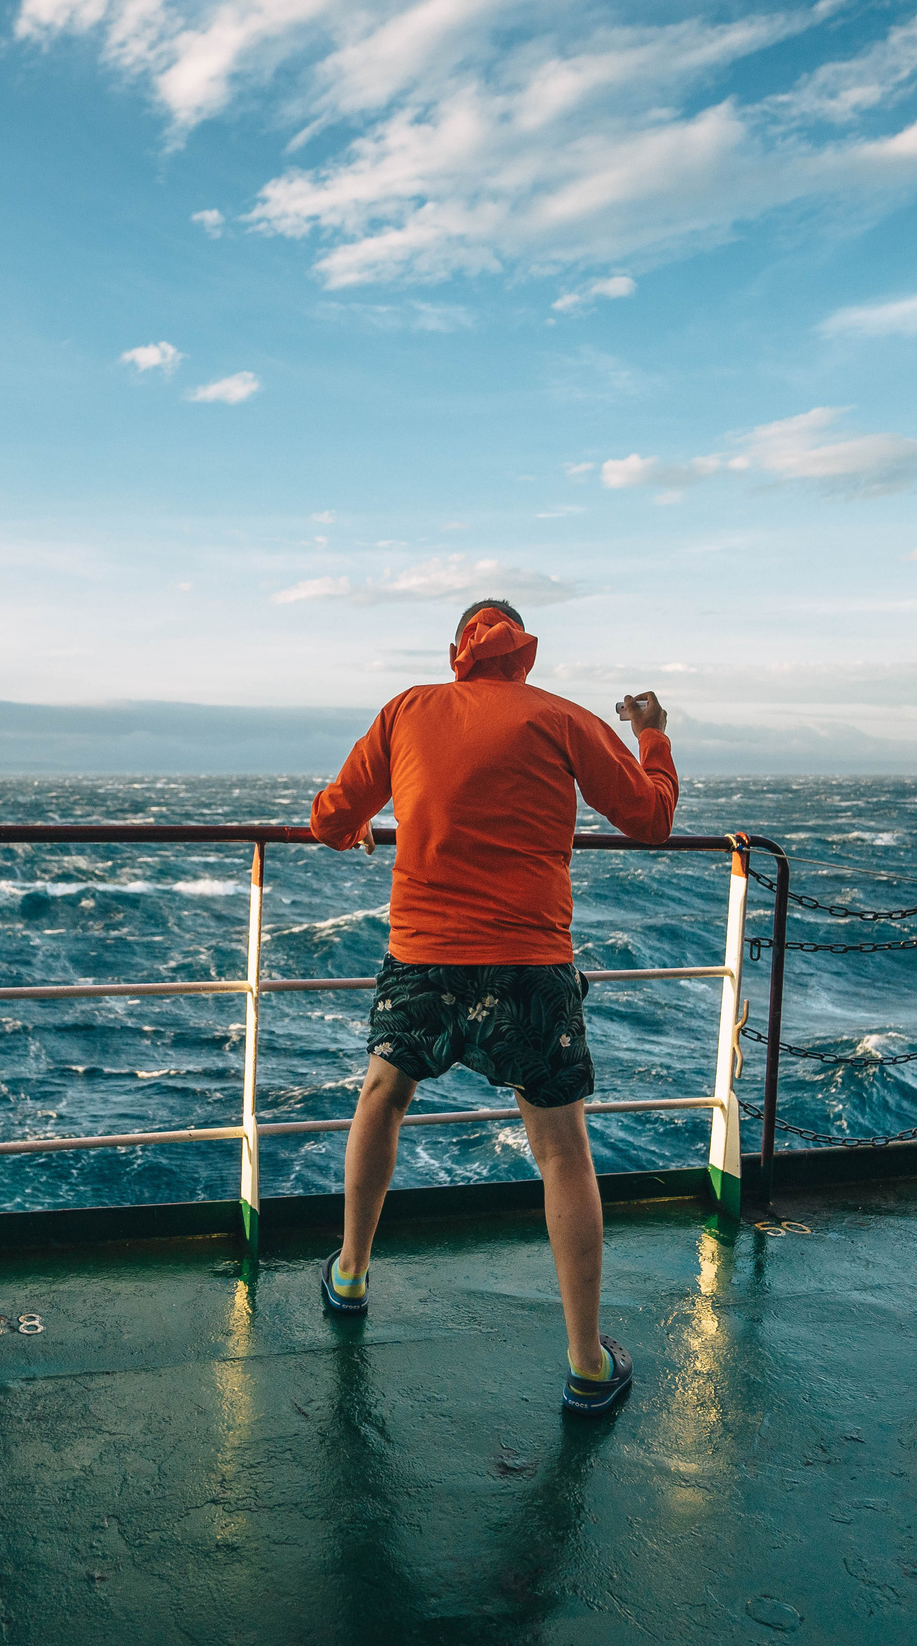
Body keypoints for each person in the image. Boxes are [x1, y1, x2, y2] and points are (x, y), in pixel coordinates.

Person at [308, 598, 677, 1416]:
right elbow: (651, 819)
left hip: (424, 957)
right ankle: (586, 1362)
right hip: (530, 964)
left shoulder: (407, 709)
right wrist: (653, 732)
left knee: (384, 1096)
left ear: (455, 654)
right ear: (527, 657)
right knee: (561, 1150)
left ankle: (352, 1275)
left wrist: (361, 825)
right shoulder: (561, 718)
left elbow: (328, 816)